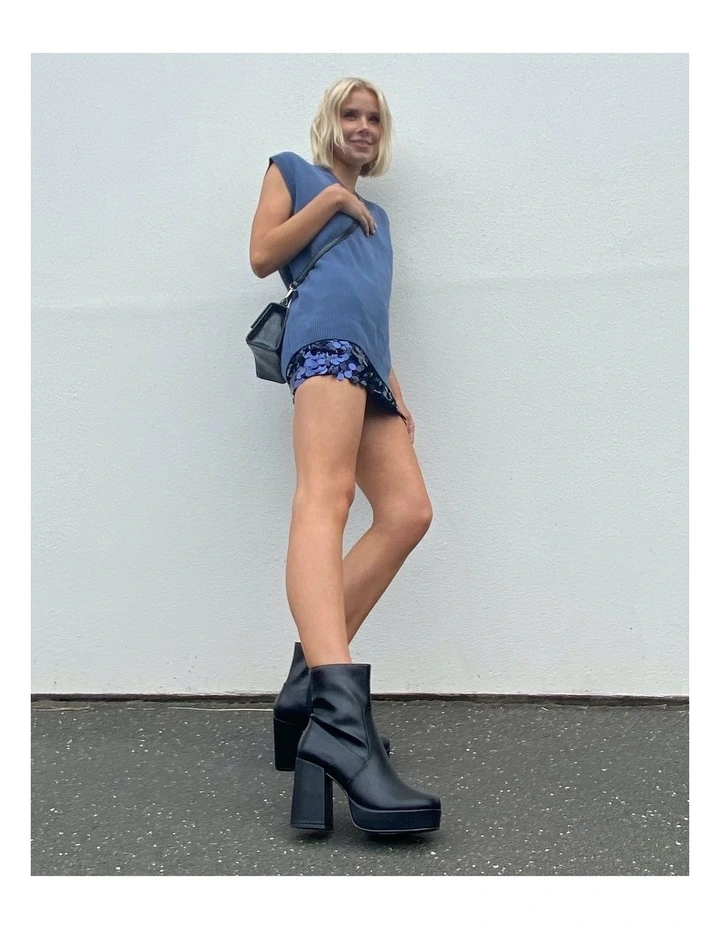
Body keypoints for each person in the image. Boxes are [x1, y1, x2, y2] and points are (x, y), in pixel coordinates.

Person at [249, 77, 441, 834]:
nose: (363, 126)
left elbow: (373, 305)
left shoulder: (381, 220)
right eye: (351, 114)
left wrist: (395, 387)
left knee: (407, 512)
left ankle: (309, 687)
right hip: (322, 345)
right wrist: (329, 200)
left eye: (375, 118)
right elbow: (263, 255)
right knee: (324, 499)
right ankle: (338, 715)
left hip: (369, 365)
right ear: (329, 122)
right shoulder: (293, 172)